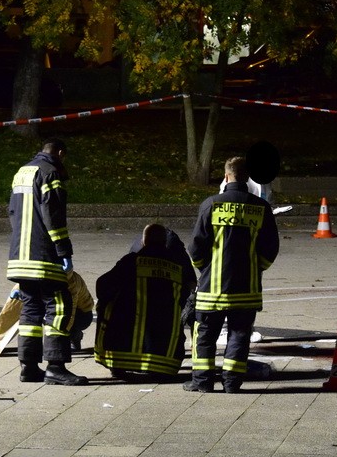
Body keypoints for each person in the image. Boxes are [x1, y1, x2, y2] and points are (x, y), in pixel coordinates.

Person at [186, 156, 279, 393]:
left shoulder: (210, 204)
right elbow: (270, 248)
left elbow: (196, 246)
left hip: (212, 289)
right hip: (246, 289)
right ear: (247, 178)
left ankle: (203, 382)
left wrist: (204, 268)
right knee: (239, 335)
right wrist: (257, 267)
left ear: (226, 176)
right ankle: (231, 383)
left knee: (205, 335)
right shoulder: (260, 208)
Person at [6, 138, 87, 385]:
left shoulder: (21, 172)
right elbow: (53, 217)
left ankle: (28, 367)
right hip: (44, 257)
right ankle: (55, 366)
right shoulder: (51, 174)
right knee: (60, 305)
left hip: (19, 256)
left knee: (30, 310)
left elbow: (12, 212)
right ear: (60, 153)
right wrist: (64, 252)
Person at [95, 224, 194, 380]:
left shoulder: (131, 261)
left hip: (122, 349)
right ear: (165, 244)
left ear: (143, 242)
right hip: (167, 362)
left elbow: (103, 285)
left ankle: (118, 364)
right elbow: (186, 294)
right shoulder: (177, 269)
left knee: (105, 305)